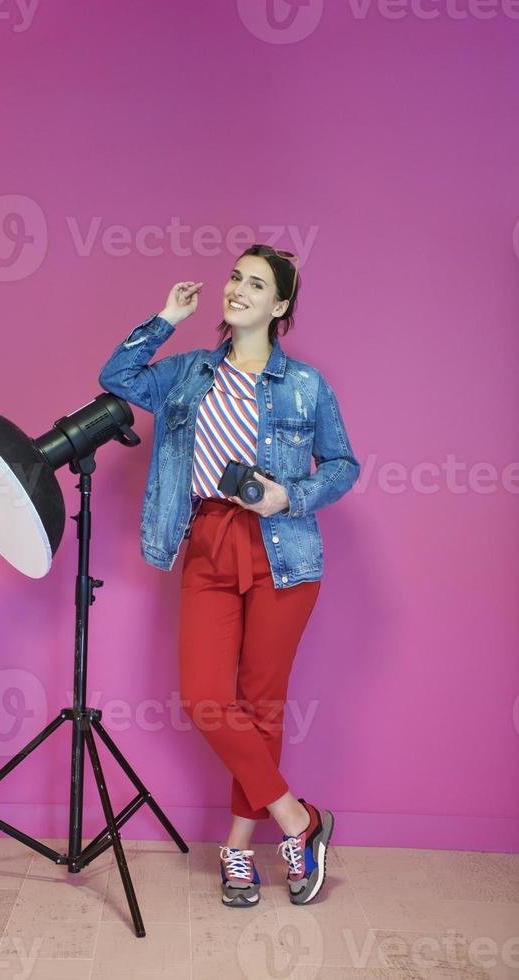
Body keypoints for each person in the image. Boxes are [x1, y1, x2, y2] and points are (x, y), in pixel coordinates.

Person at [98, 243, 360, 909]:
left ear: (280, 307)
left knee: (261, 705)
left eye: (256, 284)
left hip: (284, 550)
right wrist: (164, 317)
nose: (238, 289)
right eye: (235, 278)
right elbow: (118, 377)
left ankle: (240, 847)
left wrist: (289, 496)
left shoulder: (306, 385)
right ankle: (300, 821)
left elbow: (343, 465)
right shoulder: (188, 373)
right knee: (208, 698)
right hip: (209, 543)